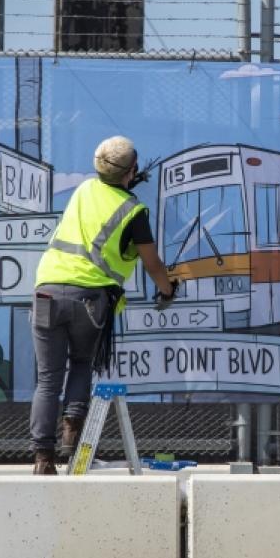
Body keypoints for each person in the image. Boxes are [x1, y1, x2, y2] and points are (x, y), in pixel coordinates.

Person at [29, 136, 177, 474]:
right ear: (133, 170)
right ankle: (72, 438)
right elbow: (153, 264)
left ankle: (42, 458)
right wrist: (167, 291)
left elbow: (102, 199)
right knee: (81, 364)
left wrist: (122, 179)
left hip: (47, 289)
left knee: (47, 379)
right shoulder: (134, 210)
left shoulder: (83, 190)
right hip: (89, 299)